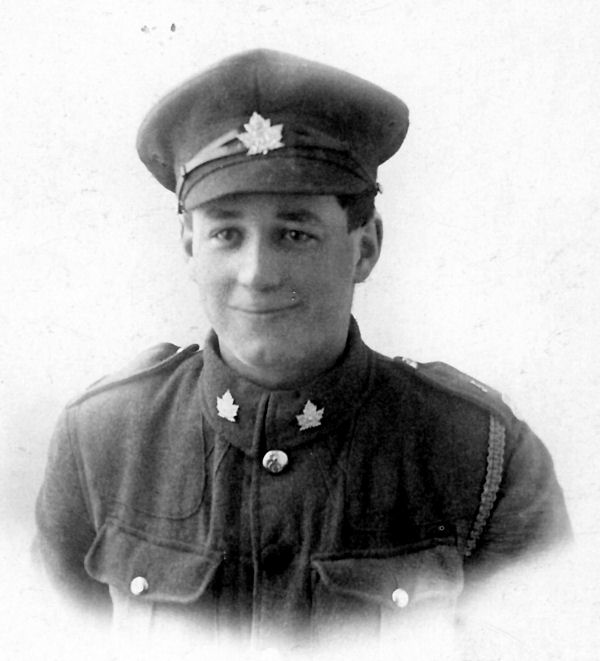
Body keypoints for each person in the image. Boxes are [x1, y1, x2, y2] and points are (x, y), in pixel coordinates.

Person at [34, 49, 571, 660]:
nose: (257, 274)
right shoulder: (101, 439)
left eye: (295, 234)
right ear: (189, 247)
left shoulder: (481, 456)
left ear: (365, 248)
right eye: (226, 234)